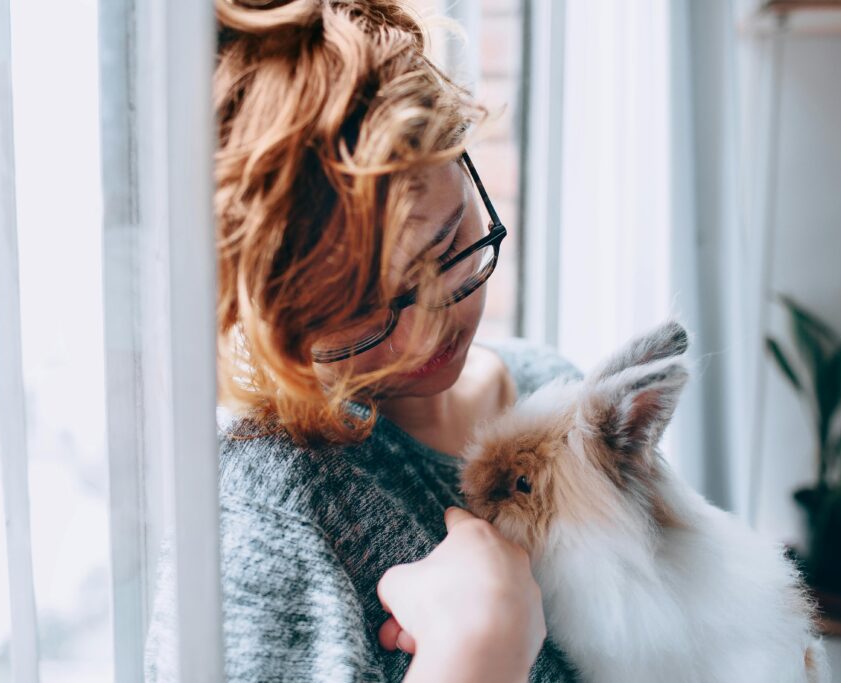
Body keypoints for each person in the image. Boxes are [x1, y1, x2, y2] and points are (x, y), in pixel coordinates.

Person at [146, 0, 580, 680]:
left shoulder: (556, 392)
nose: (428, 329)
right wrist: (479, 652)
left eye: (448, 246)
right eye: (362, 306)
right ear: (271, 309)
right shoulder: (261, 525)